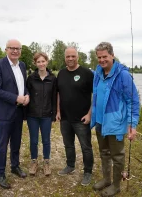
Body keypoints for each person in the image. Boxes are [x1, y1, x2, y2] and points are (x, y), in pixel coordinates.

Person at [90, 42, 139, 196]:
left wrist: (132, 124)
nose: (102, 60)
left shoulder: (123, 75)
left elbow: (133, 101)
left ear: (112, 55)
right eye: (99, 57)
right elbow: (96, 96)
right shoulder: (98, 73)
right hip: (100, 122)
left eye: (105, 56)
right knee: (104, 152)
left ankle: (116, 185)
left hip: (116, 124)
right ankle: (106, 179)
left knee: (117, 156)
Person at [0, 39, 30, 189]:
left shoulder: (22, 65)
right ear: (6, 49)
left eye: (18, 48)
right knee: (2, 144)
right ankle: (0, 173)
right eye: (12, 48)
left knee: (16, 141)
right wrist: (15, 98)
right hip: (4, 112)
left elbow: (23, 85)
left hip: (19, 111)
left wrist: (27, 95)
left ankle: (15, 166)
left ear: (20, 51)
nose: (15, 51)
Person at [56, 47, 94, 186]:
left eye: (73, 56)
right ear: (65, 58)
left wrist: (90, 114)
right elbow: (58, 93)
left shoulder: (87, 73)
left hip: (82, 119)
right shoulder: (61, 73)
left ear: (78, 57)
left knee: (86, 147)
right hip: (65, 118)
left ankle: (88, 172)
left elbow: (95, 95)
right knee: (68, 145)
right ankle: (70, 165)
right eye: (68, 56)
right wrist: (58, 111)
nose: (70, 59)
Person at [26, 52, 57, 176]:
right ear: (35, 63)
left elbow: (54, 97)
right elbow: (27, 95)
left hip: (46, 115)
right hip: (32, 115)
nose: (41, 64)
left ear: (47, 62)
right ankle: (34, 162)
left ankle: (46, 162)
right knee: (34, 140)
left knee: (46, 140)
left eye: (43, 61)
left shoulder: (52, 78)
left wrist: (54, 113)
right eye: (38, 62)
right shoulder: (31, 78)